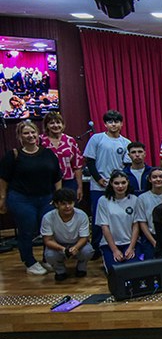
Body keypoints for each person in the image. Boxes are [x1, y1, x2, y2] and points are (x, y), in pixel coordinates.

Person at [0, 120, 62, 275]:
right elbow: (3, 179)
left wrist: (58, 196)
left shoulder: (48, 153)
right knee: (27, 230)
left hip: (46, 197)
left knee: (49, 230)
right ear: (20, 136)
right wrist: (2, 198)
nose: (30, 136)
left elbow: (57, 176)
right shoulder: (13, 155)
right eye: (26, 133)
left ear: (38, 134)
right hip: (21, 199)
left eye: (33, 132)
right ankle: (29, 261)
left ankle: (47, 259)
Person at [83, 109, 131, 257]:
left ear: (121, 123)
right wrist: (98, 179)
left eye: (116, 121)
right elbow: (89, 161)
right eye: (110, 121)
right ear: (105, 124)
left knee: (118, 216)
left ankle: (117, 243)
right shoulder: (97, 139)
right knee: (99, 218)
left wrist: (119, 183)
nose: (113, 124)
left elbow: (127, 166)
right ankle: (96, 247)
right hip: (99, 186)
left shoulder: (126, 142)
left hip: (118, 187)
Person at [41, 188, 94, 281]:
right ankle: (60, 270)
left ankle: (81, 267)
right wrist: (63, 249)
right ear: (56, 204)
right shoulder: (48, 217)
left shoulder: (82, 215)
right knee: (49, 254)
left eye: (70, 203)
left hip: (77, 243)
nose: (67, 206)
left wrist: (76, 247)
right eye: (63, 204)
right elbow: (47, 240)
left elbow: (84, 237)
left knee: (88, 251)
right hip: (58, 244)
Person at [96, 171, 141, 272]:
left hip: (130, 242)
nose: (120, 186)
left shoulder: (134, 200)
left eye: (123, 183)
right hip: (109, 244)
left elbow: (136, 225)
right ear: (111, 183)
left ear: (128, 183)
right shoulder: (103, 200)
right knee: (115, 271)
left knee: (134, 270)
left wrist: (131, 247)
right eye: (116, 183)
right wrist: (115, 250)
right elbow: (104, 227)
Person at [40, 112, 84, 201]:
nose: (55, 125)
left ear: (63, 125)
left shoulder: (70, 141)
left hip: (68, 182)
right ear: (46, 125)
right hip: (47, 182)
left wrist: (79, 187)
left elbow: (77, 166)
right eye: (52, 123)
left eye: (58, 122)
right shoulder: (40, 141)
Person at [134, 167, 162, 261]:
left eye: (161, 177)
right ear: (149, 179)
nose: (158, 179)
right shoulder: (142, 198)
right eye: (154, 177)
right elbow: (142, 222)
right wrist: (153, 242)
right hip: (151, 236)